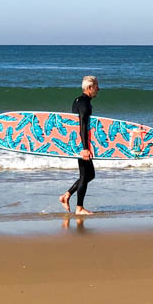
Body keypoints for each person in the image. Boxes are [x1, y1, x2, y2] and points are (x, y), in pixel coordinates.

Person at [59, 76, 99, 216]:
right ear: (90, 88)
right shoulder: (85, 103)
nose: (98, 89)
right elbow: (82, 124)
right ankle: (79, 208)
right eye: (96, 86)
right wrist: (85, 148)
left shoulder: (78, 100)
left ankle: (66, 195)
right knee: (84, 175)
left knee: (90, 174)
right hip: (82, 144)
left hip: (77, 143)